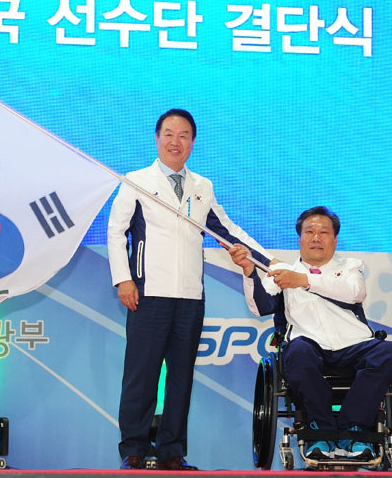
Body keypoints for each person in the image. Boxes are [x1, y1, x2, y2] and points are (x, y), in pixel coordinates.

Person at [107, 109, 273, 470]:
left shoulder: (203, 187)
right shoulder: (136, 180)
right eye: (169, 134)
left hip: (189, 298)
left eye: (183, 136)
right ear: (157, 138)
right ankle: (133, 449)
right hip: (148, 294)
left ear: (192, 143)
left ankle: (171, 452)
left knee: (181, 377)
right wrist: (123, 278)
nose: (175, 142)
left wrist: (269, 263)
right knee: (142, 375)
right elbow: (116, 231)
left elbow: (227, 230)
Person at [228, 206, 392, 460]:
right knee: (297, 352)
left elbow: (355, 293)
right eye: (309, 232)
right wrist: (249, 271)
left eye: (323, 232)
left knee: (387, 351)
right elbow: (261, 307)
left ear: (334, 239)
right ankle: (320, 430)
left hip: (353, 345)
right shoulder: (282, 271)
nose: (316, 237)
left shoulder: (352, 266)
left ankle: (353, 428)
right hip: (309, 345)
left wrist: (304, 280)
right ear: (299, 239)